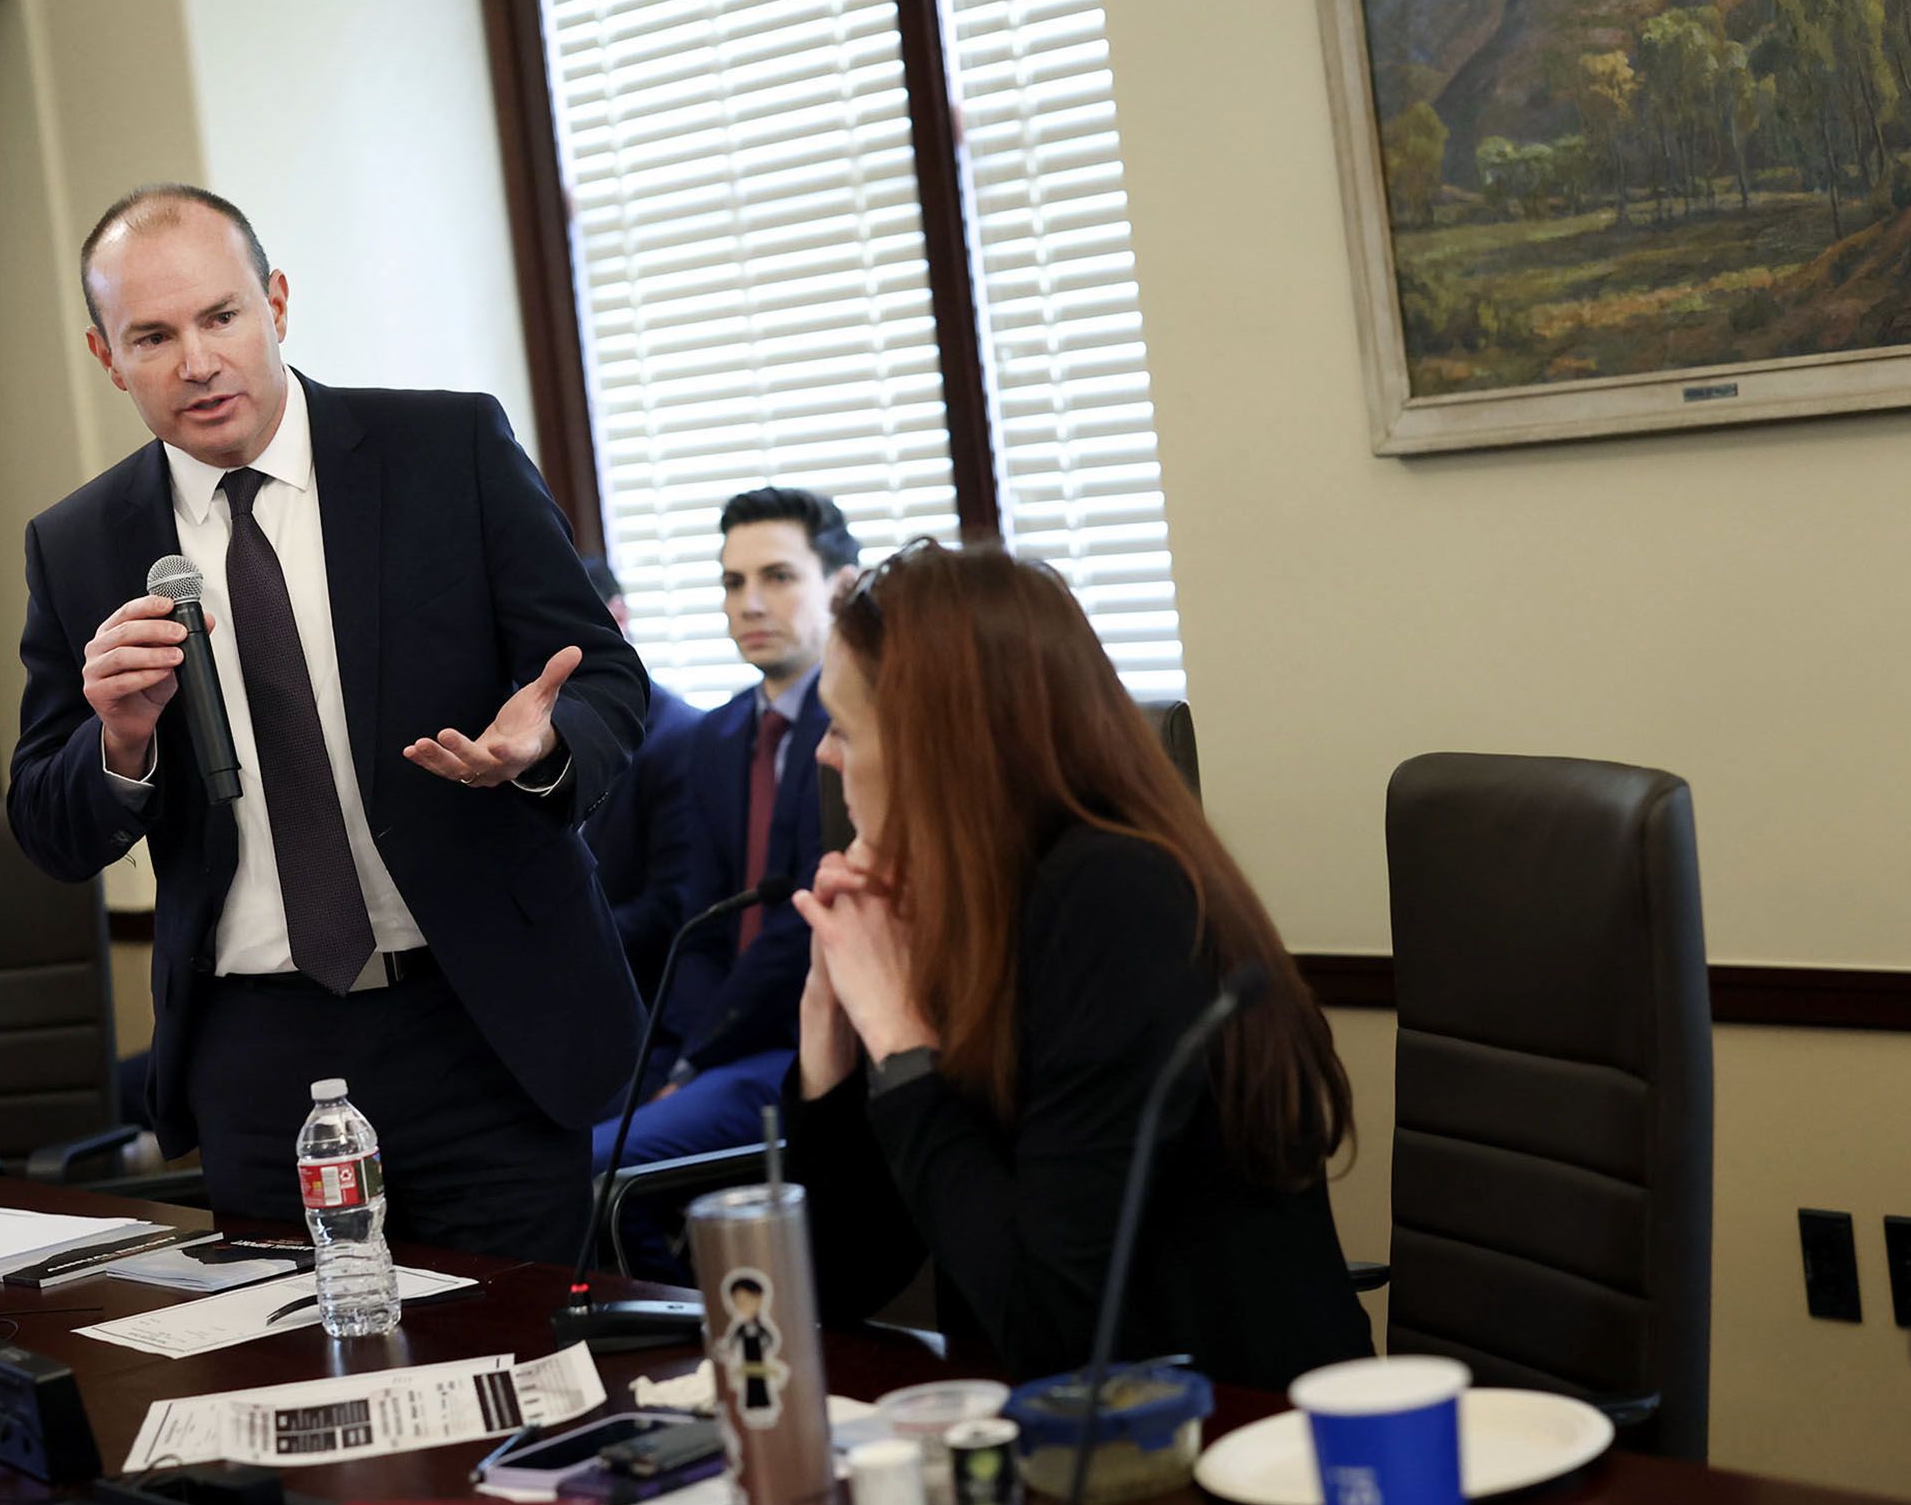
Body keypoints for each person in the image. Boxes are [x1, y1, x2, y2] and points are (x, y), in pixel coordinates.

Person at [6, 185, 646, 1256]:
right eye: (152, 337)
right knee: (305, 1385)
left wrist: (540, 750)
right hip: (256, 1050)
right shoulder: (78, 544)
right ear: (105, 355)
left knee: (526, 1386)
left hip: (479, 1019)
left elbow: (608, 684)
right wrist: (117, 741)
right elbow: (47, 820)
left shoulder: (448, 450)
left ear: (278, 304)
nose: (197, 362)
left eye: (220, 317)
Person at [784, 542, 1373, 1391]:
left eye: (842, 727)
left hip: (1235, 1441)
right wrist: (830, 1034)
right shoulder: (966, 902)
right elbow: (834, 1284)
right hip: (1072, 1449)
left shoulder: (1116, 897)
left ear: (932, 747)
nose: (825, 758)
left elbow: (1053, 1323)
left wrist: (900, 1036)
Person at [594, 487, 857, 1178]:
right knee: (531, 1154)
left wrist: (695, 1059)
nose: (750, 603)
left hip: (803, 1040)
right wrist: (683, 1051)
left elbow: (804, 924)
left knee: (597, 1168)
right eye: (733, 582)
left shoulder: (863, 733)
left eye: (778, 576)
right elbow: (699, 920)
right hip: (700, 1039)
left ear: (842, 587)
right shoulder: (717, 734)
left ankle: (694, 1290)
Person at [577, 555, 703, 986]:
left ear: (619, 615)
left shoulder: (680, 736)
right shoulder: (520, 738)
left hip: (644, 992)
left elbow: (672, 907)